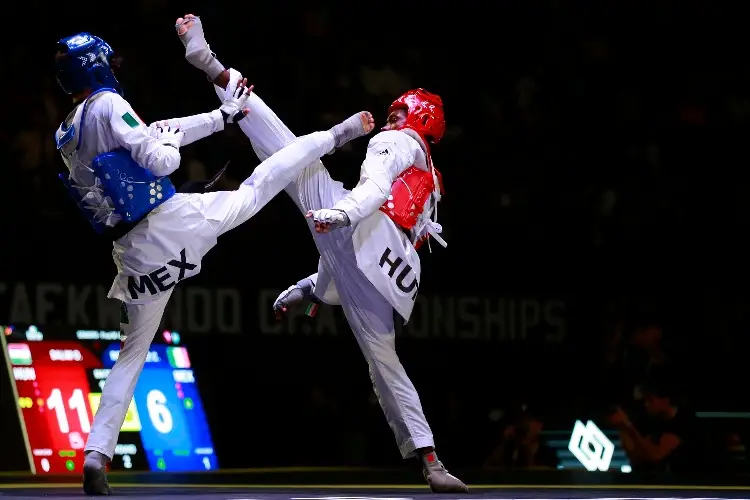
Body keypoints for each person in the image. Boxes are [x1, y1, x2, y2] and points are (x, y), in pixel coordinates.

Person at [53, 32, 374, 495]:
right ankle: (337, 136)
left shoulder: (66, 131)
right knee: (258, 185)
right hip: (170, 225)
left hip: (134, 258)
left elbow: (160, 131)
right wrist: (173, 149)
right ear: (96, 65)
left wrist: (223, 117)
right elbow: (160, 157)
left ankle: (96, 454)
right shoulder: (108, 103)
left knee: (131, 356)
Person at [176, 15, 465, 492]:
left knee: (289, 152)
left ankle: (209, 64)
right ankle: (431, 461)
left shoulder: (397, 140)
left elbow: (372, 187)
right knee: (385, 364)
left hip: (359, 228)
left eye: (398, 112)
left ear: (415, 118)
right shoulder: (434, 179)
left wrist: (346, 212)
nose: (392, 117)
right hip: (387, 273)